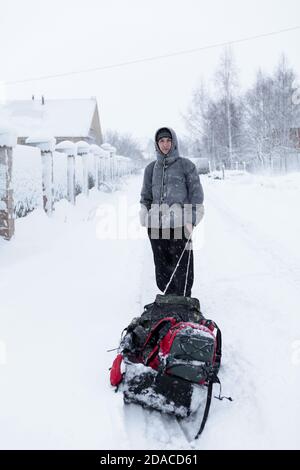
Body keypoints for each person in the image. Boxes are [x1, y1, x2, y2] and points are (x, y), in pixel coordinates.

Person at [139, 127, 204, 297]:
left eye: (168, 140)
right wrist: (145, 214)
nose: (165, 144)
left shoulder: (186, 166)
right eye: (161, 141)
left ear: (174, 142)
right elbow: (145, 196)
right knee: (161, 269)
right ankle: (168, 299)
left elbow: (197, 195)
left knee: (182, 266)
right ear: (157, 144)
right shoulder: (151, 169)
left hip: (180, 225)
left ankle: (183, 299)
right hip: (156, 226)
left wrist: (192, 220)